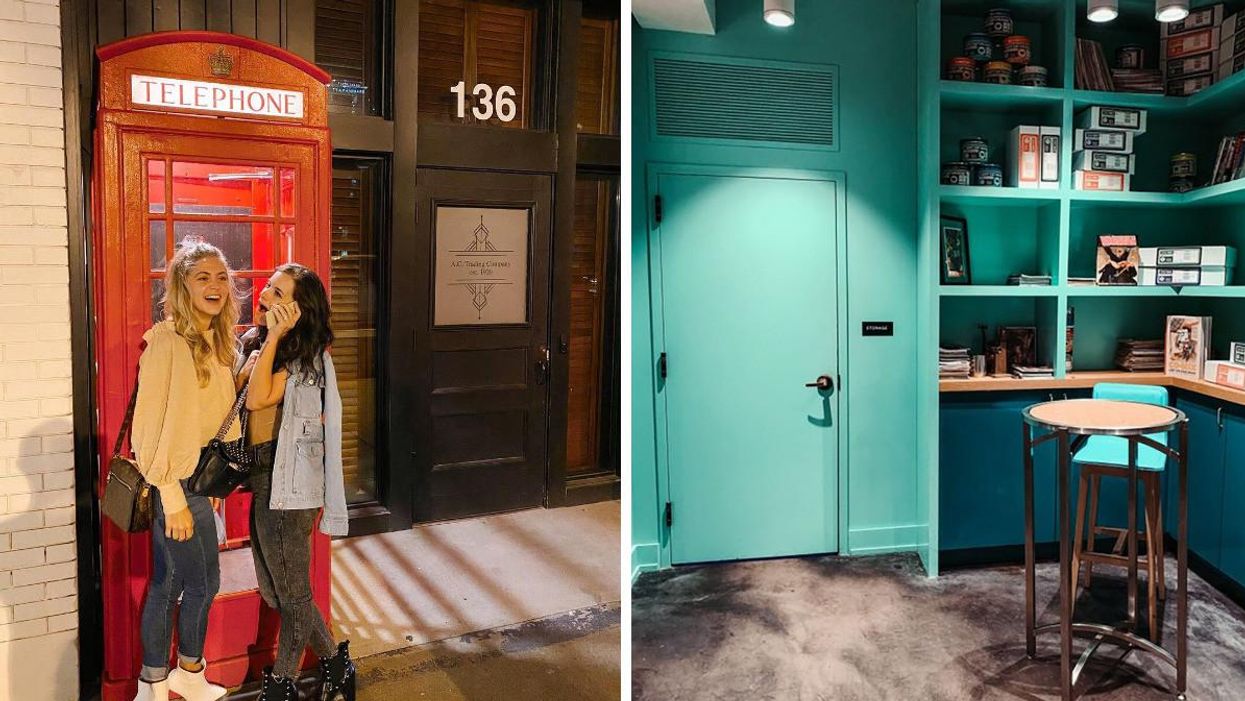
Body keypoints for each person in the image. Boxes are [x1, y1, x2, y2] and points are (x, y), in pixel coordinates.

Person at [236, 263, 354, 701]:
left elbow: (258, 399)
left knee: (293, 593)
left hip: (290, 486)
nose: (267, 294)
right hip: (263, 476)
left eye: (279, 292)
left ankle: (281, 685)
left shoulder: (306, 358)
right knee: (280, 590)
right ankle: (339, 667)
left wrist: (274, 340)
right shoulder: (256, 342)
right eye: (268, 286)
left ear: (299, 309)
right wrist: (265, 340)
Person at [130, 241, 238, 701]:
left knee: (169, 580)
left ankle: (157, 681)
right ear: (182, 286)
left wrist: (217, 483)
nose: (214, 285)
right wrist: (172, 497)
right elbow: (147, 430)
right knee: (203, 582)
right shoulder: (167, 343)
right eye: (202, 278)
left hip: (201, 478)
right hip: (174, 484)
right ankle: (182, 675)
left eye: (220, 277)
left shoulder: (217, 340)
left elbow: (213, 419)